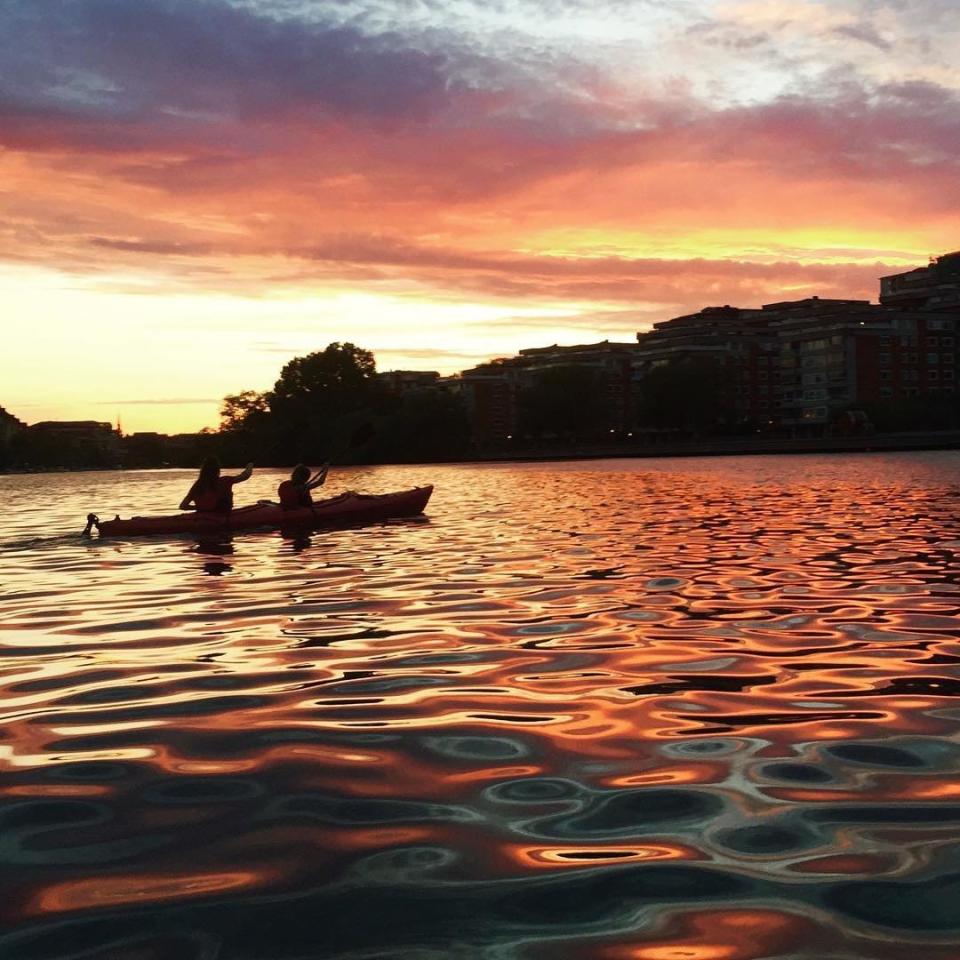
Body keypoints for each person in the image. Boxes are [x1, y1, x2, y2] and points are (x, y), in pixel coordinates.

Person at [179, 458, 253, 512]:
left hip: (201, 516)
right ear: (217, 470)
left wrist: (200, 508)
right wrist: (250, 465)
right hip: (221, 515)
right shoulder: (224, 481)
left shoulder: (197, 485)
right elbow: (246, 475)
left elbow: (183, 506)